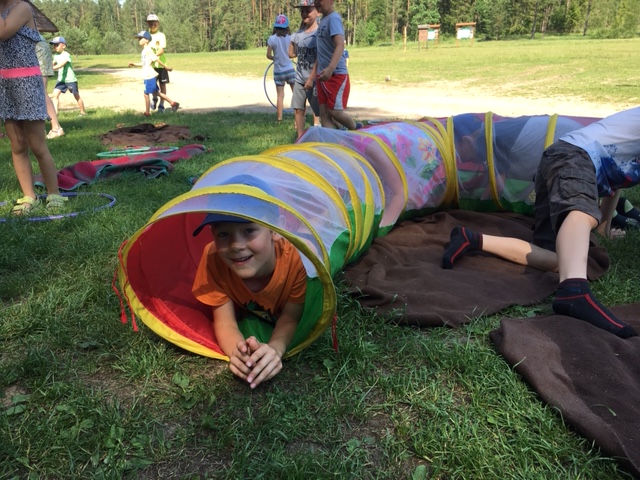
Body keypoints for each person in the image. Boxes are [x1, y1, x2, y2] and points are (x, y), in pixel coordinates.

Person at [442, 107, 640, 339]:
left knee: (562, 259)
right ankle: (574, 292)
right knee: (580, 213)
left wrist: (604, 229)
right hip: (573, 156)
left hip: (556, 159)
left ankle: (473, 239)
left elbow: (616, 181)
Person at [191, 179, 307, 388]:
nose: (236, 245)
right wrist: (240, 353)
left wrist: (276, 348)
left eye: (249, 230)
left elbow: (290, 317)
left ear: (275, 229)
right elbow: (225, 322)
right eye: (223, 234)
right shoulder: (213, 258)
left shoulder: (297, 261)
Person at [0, 0, 66, 214]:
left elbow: (3, 32)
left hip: (27, 83)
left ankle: (54, 193)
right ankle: (29, 195)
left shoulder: (22, 8)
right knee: (17, 145)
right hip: (5, 85)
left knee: (37, 145)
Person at [314, 0, 361, 130]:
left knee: (334, 112)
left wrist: (330, 68)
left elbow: (340, 45)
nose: (316, 2)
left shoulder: (333, 19)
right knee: (324, 112)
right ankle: (330, 140)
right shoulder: (323, 19)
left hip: (335, 75)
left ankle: (355, 128)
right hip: (322, 75)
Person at [128, 31, 179, 117]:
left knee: (146, 94)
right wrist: (134, 64)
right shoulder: (144, 51)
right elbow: (144, 63)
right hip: (147, 75)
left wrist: (166, 68)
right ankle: (173, 103)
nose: (139, 40)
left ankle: (147, 113)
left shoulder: (148, 50)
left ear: (146, 40)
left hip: (149, 76)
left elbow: (156, 59)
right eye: (138, 39)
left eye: (140, 38)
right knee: (155, 93)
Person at [289, 0, 320, 138]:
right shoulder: (298, 34)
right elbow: (291, 54)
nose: (304, 13)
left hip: (315, 79)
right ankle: (300, 137)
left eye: (308, 10)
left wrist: (312, 78)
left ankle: (324, 131)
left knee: (320, 110)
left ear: (317, 12)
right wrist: (292, 39)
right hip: (300, 78)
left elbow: (321, 57)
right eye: (302, 11)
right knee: (298, 109)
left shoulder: (319, 33)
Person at [267, 14, 295, 123]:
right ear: (287, 26)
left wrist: (276, 58)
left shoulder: (272, 39)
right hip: (289, 70)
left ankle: (279, 119)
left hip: (279, 71)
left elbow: (268, 55)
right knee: (296, 94)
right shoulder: (290, 38)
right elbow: (291, 54)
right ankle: (300, 116)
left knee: (280, 95)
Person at [35, 33, 63, 138]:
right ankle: (38, 130)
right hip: (35, 45)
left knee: (40, 92)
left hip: (36, 47)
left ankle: (56, 128)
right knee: (37, 92)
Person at [50, 36, 86, 115]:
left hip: (70, 79)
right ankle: (55, 114)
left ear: (63, 46)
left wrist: (51, 68)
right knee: (54, 95)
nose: (55, 47)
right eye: (54, 45)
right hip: (61, 80)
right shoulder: (56, 55)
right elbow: (51, 64)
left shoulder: (66, 55)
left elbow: (61, 65)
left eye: (57, 45)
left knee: (76, 96)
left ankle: (83, 112)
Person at [146, 13, 169, 113]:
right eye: (150, 23)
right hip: (151, 66)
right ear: (147, 24)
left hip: (161, 65)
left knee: (162, 85)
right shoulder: (146, 35)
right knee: (152, 85)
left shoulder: (161, 35)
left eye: (154, 23)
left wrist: (154, 57)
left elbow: (161, 50)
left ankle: (162, 104)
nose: (152, 25)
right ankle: (154, 98)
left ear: (158, 23)